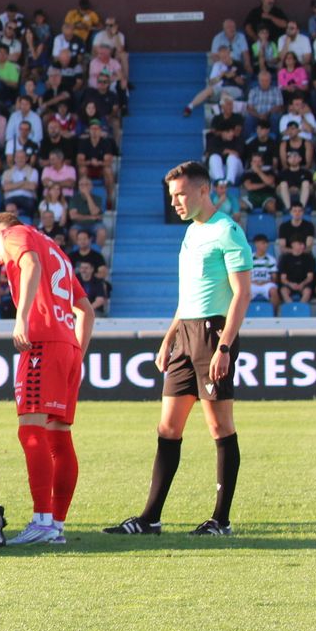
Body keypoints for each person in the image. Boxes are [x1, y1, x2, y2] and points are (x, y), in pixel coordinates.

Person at [106, 161, 253, 537]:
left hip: (212, 334)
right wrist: (169, 337)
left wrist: (224, 347)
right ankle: (149, 519)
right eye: (172, 196)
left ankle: (221, 521)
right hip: (186, 335)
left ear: (204, 190)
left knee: (220, 426)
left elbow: (242, 294)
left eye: (181, 194)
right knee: (168, 427)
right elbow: (188, 296)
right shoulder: (190, 234)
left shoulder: (228, 232)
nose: (175, 203)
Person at [0, 212, 96, 546]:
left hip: (42, 343)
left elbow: (29, 264)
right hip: (68, 347)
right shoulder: (57, 250)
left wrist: (21, 320)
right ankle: (56, 525)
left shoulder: (16, 234)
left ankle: (42, 520)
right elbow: (86, 311)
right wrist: (76, 351)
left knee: (30, 430)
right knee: (59, 438)